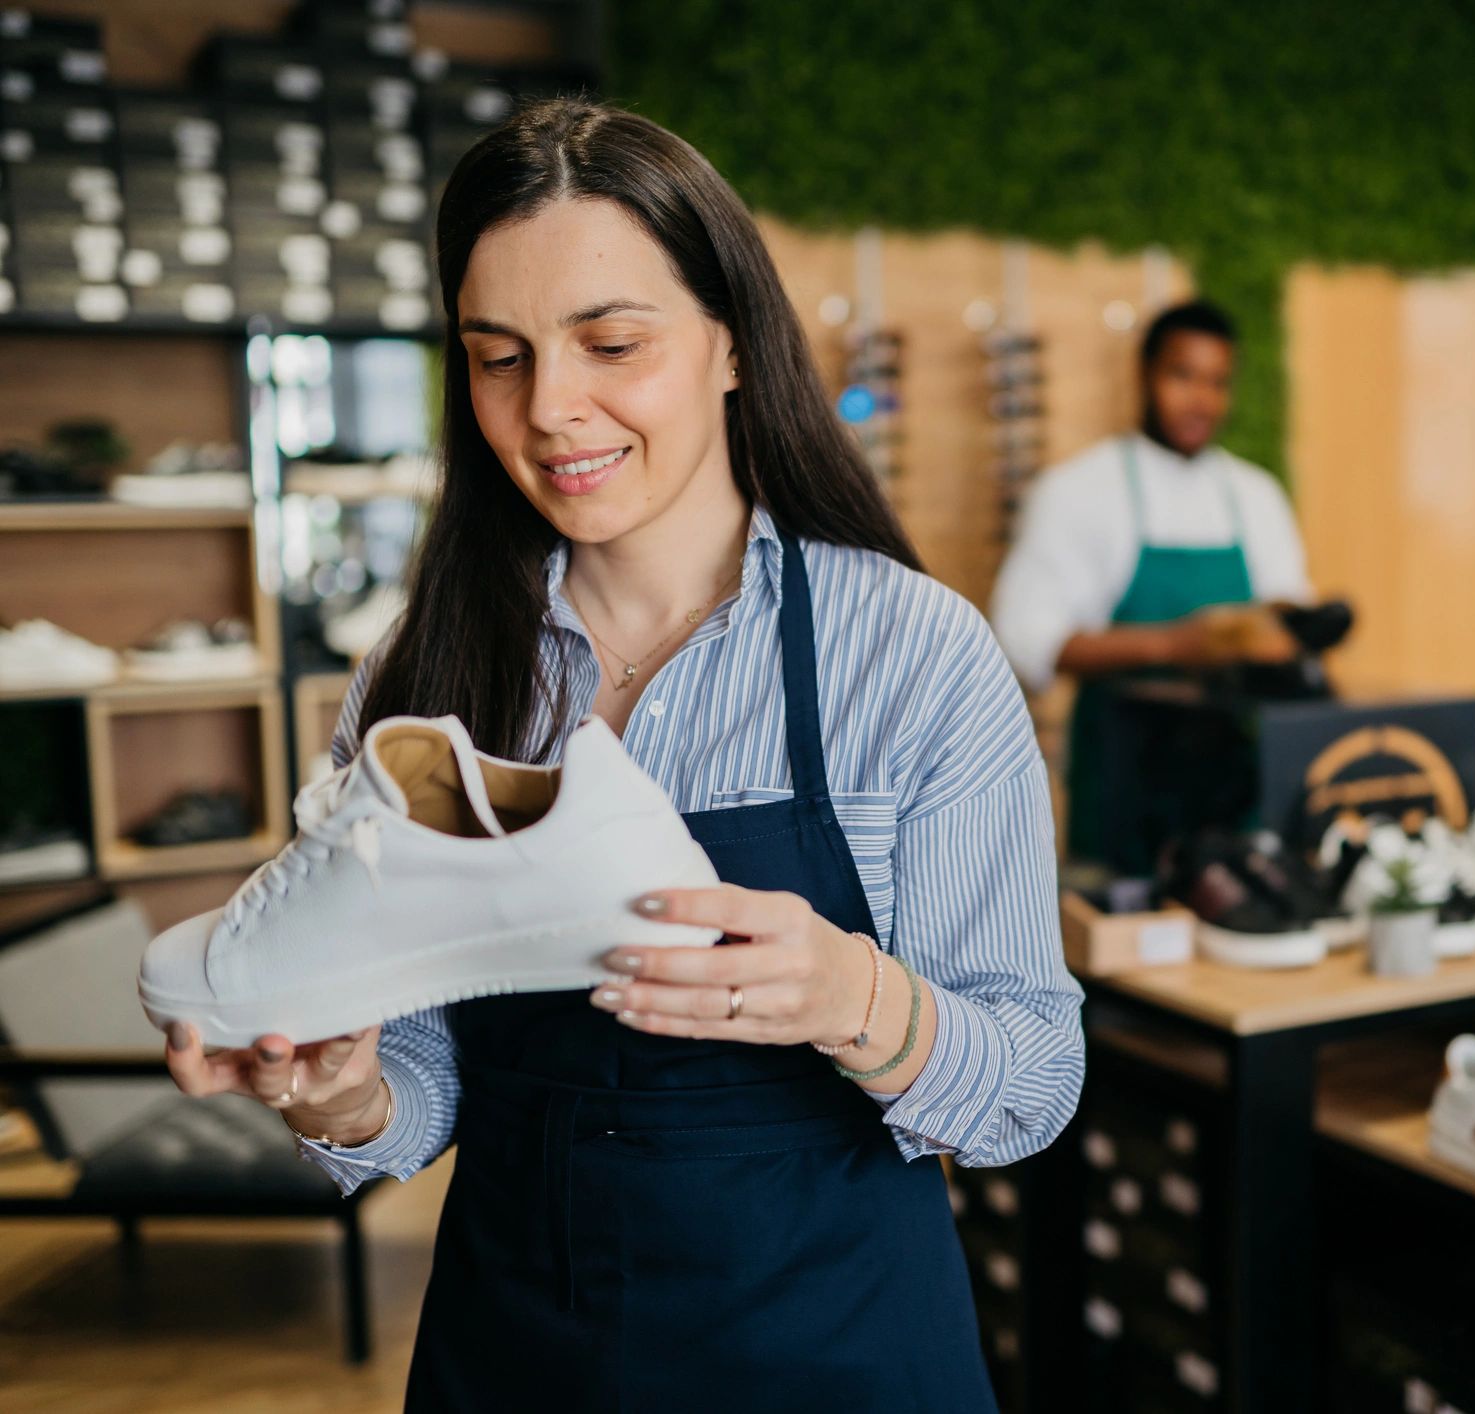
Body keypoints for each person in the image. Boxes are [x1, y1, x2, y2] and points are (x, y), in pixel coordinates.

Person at [161, 99, 1081, 1411]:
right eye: (498, 356)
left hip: (842, 1352)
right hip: (521, 1350)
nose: (550, 410)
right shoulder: (424, 674)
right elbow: (426, 1079)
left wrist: (850, 995)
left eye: (610, 343)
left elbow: (1031, 1085)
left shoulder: (912, 653)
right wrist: (343, 1094)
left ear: (728, 341)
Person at [988, 299, 1313, 860]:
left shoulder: (1255, 496)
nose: (1201, 400)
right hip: (1123, 789)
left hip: (1234, 793)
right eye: (1183, 376)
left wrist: (1295, 634)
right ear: (1144, 374)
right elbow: (1025, 638)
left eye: (1217, 382)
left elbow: (1288, 621)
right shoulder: (1079, 491)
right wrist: (1175, 643)